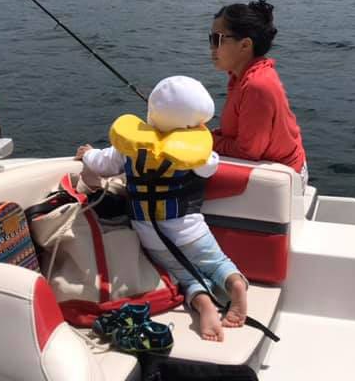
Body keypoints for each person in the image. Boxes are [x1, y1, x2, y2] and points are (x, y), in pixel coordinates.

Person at [75, 75, 247, 343]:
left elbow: (101, 163)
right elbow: (210, 167)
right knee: (217, 263)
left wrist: (86, 153)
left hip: (150, 234)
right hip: (192, 230)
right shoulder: (198, 153)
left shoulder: (130, 148)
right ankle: (234, 283)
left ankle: (203, 304)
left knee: (184, 278)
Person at [210, 0, 308, 185]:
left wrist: (205, 139)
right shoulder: (241, 77)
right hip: (267, 168)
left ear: (245, 45)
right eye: (211, 39)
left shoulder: (257, 85)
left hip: (282, 179)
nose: (212, 48)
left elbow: (247, 152)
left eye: (218, 40)